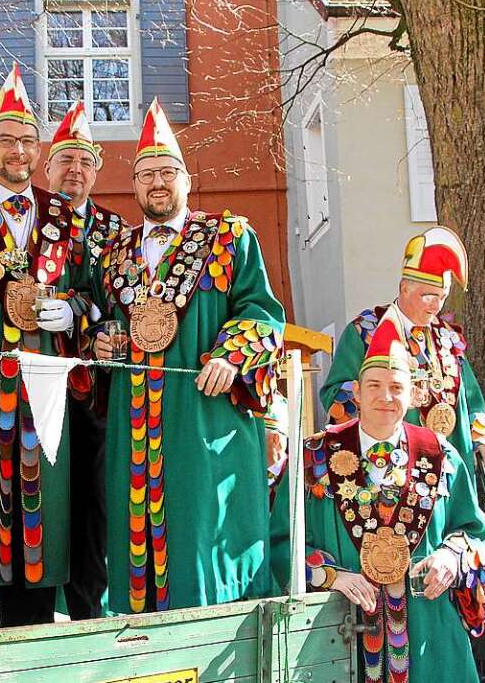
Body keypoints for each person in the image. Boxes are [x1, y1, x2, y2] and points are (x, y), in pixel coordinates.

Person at [92, 98, 286, 613]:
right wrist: (105, 338)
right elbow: (103, 318)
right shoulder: (114, 253)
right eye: (146, 174)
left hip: (205, 420)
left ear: (185, 178)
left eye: (167, 172)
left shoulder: (228, 236)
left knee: (202, 537)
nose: (157, 183)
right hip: (133, 425)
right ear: (133, 185)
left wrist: (232, 355)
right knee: (134, 541)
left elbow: (263, 311)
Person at [272, 309, 485, 683]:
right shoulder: (314, 455)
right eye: (373, 385)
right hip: (336, 634)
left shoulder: (442, 456)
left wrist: (451, 557)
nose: (385, 396)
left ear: (414, 394)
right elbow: (280, 543)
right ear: (356, 392)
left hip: (432, 638)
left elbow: (476, 532)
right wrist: (329, 576)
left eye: (396, 386)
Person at [0, 64, 84, 630]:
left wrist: (72, 309)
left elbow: (96, 292)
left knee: (43, 507)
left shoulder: (65, 215)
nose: (20, 151)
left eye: (29, 141)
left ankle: (33, 633)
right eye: (8, 140)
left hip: (46, 385)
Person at [321, 226, 485, 479]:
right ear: (404, 288)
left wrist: (479, 434)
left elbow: (471, 398)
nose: (436, 306)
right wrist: (392, 397)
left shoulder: (448, 338)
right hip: (387, 464)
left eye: (442, 297)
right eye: (429, 297)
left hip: (448, 466)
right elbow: (335, 394)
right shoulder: (365, 332)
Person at [44, 100, 125, 620]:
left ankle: (89, 608)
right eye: (65, 161)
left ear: (96, 170)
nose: (75, 171)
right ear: (48, 167)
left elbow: (123, 302)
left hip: (94, 394)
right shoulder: (27, 221)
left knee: (94, 501)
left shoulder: (116, 232)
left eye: (85, 162)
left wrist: (91, 320)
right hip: (30, 382)